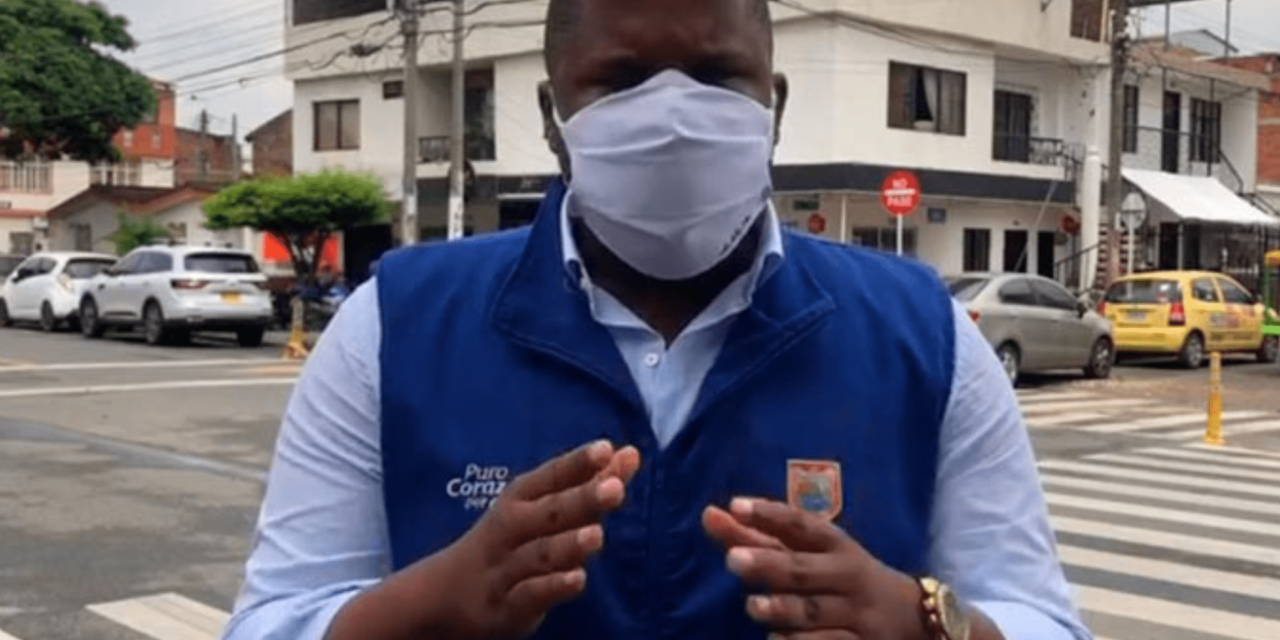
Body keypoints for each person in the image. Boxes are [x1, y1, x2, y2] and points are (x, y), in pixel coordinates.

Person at [221, 0, 1091, 639]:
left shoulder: (922, 336)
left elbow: (1043, 620)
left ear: (775, 106)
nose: (673, 117)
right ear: (553, 116)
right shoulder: (395, 326)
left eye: (715, 76)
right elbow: (271, 620)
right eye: (623, 80)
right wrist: (430, 606)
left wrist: (923, 622)